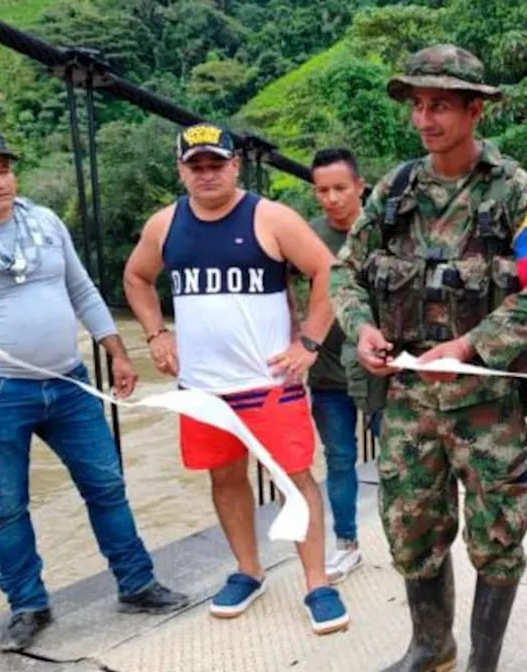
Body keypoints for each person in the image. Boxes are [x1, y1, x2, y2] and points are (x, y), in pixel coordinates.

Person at [0, 133, 189, 652]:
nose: (0, 181)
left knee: (106, 485)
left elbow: (81, 288)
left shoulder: (45, 222)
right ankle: (27, 605)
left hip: (69, 381)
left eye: (5, 170)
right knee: (7, 506)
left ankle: (137, 583)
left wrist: (118, 351)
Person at [327, 44, 527, 672]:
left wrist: (467, 348)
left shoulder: (519, 194)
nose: (425, 119)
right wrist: (363, 330)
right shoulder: (393, 192)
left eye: (440, 106)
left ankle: (483, 661)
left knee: (499, 538)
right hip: (407, 404)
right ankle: (433, 647)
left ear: (475, 110)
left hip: (487, 409)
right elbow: (343, 273)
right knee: (411, 532)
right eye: (418, 106)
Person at [121, 123, 348, 634]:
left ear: (235, 165)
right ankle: (249, 570)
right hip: (203, 387)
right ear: (181, 170)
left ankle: (317, 582)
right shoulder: (165, 225)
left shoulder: (269, 217)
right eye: (195, 166)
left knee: (295, 477)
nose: (207, 174)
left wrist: (308, 342)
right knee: (224, 477)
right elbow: (136, 276)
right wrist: (156, 334)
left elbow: (328, 269)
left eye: (216, 164)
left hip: (268, 381)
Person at [303, 147, 370, 584]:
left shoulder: (386, 229)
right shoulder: (305, 236)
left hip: (383, 369)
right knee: (340, 459)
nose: (331, 198)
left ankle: (416, 544)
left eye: (340, 188)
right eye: (322, 190)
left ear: (360, 187)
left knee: (404, 460)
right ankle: (347, 545)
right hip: (327, 372)